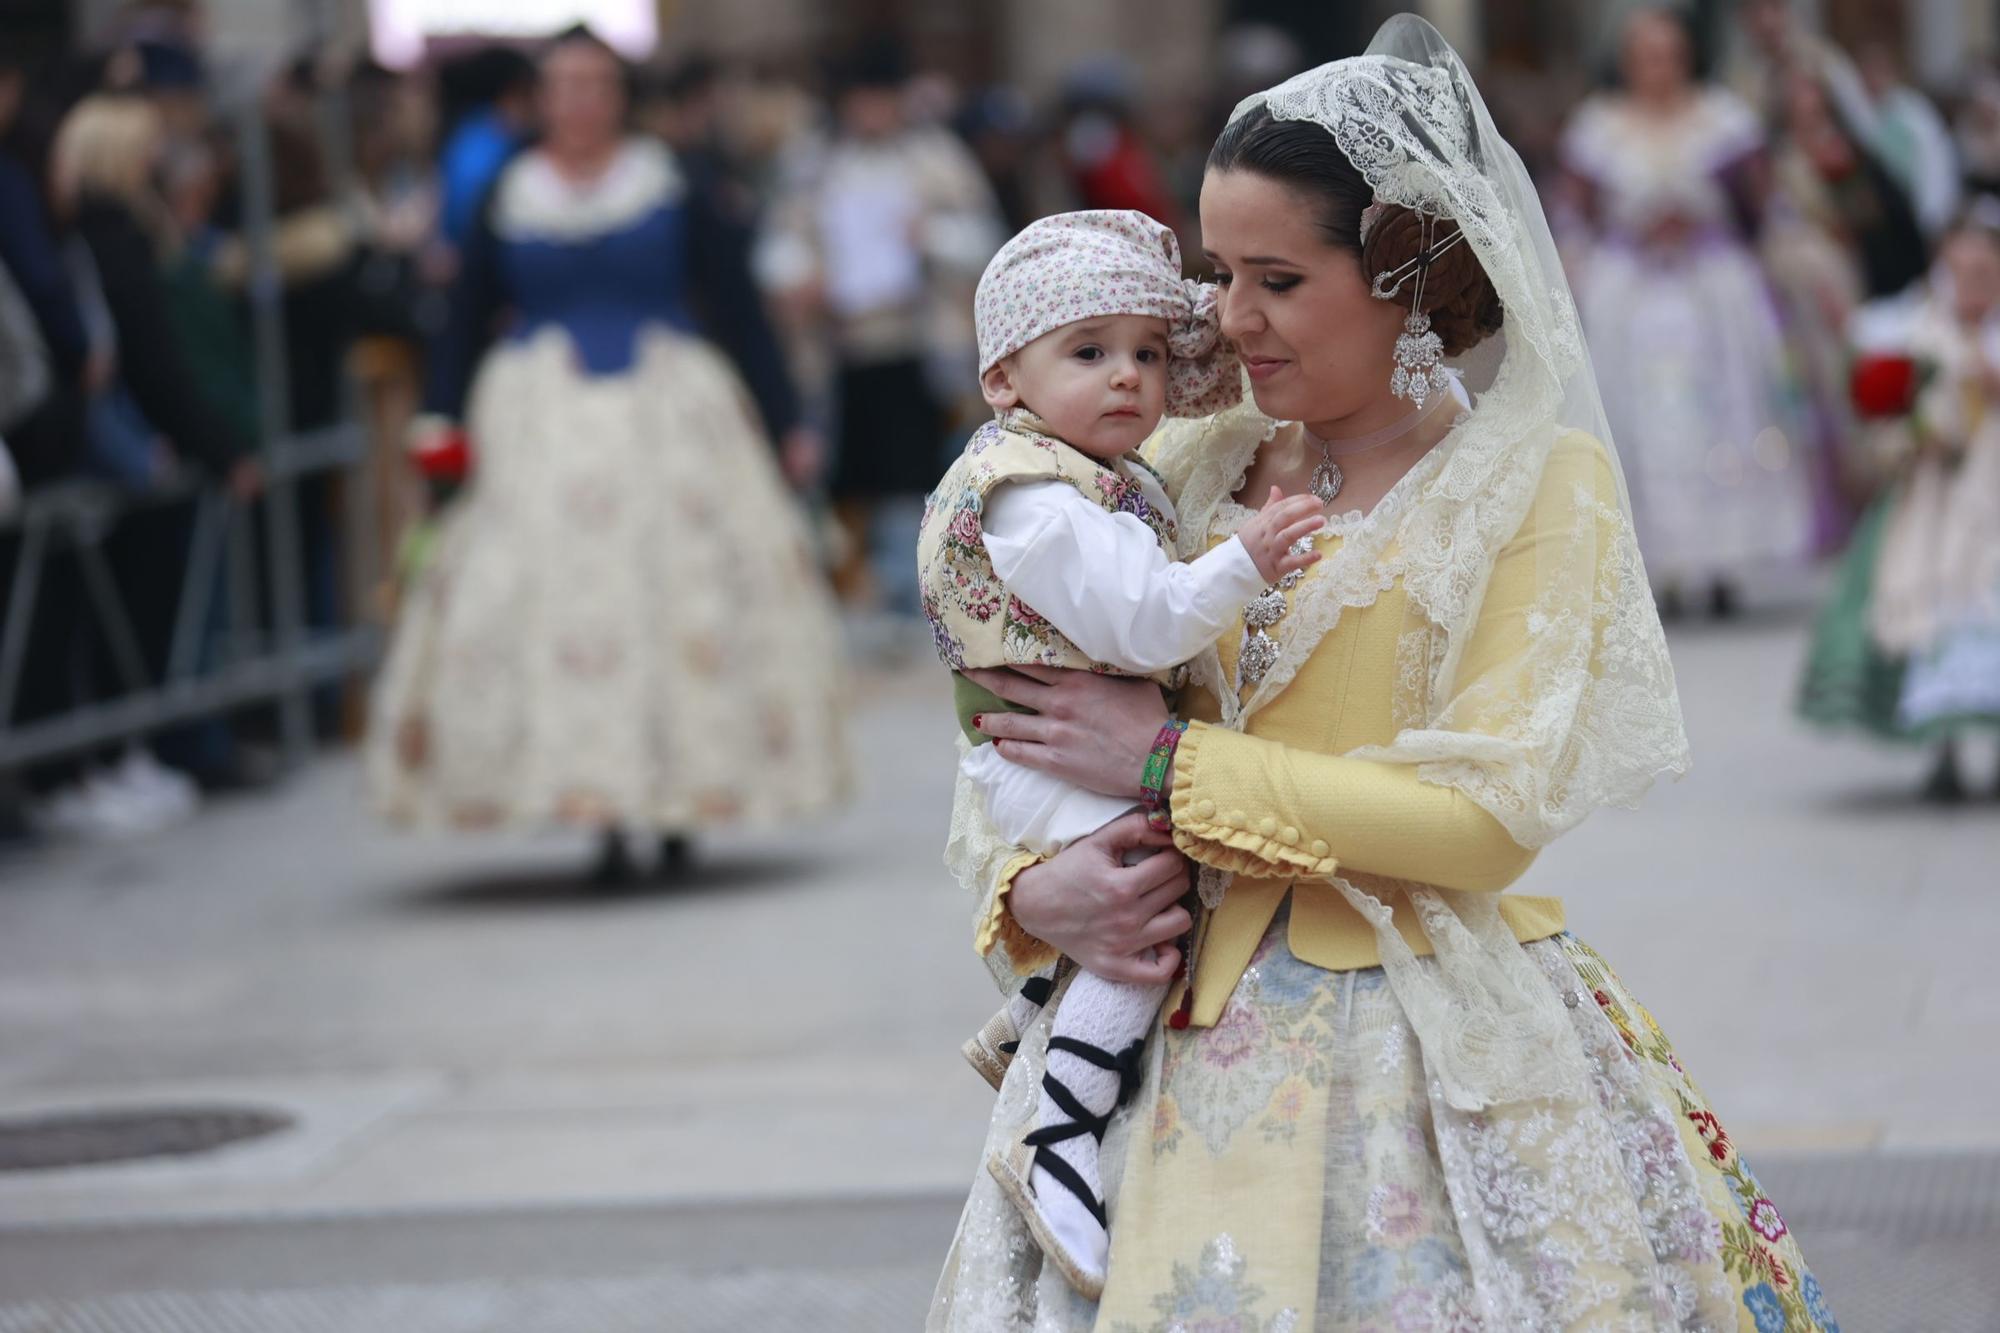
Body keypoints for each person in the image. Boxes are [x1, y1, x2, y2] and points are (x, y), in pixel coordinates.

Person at [930, 18, 1836, 1330]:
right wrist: (1032, 889)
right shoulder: (1175, 463)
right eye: (1220, 272)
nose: (1227, 319)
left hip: (1415, 1036)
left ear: (1411, 273)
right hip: (1148, 1033)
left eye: (1278, 281)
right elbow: (1015, 717)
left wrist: (1171, 769)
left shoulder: (1533, 482)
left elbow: (1487, 820)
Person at [920, 209, 1323, 1296]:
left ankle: (1033, 1022)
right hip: (1051, 756)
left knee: (1146, 890)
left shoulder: (1094, 470)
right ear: (1005, 380)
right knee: (1143, 908)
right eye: (1089, 354)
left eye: (1146, 352)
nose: (1128, 378)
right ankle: (1061, 1124)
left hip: (1072, 749)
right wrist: (1242, 559)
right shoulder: (1043, 498)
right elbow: (1144, 622)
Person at [366, 26, 848, 881]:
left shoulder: (670, 180)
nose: (581, 100)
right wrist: (441, 422)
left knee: (676, 597)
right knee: (561, 603)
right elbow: (467, 314)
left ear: (619, 95)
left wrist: (784, 423)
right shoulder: (508, 191)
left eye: (596, 82)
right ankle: (594, 804)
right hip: (538, 416)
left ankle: (678, 802)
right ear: (542, 97)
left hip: (668, 409)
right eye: (565, 84)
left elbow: (736, 305)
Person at [1561, 7, 1812, 616]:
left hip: (1710, 296)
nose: (1659, 68)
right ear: (1627, 63)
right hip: (1634, 299)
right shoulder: (1600, 127)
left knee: (1722, 418)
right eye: (1647, 56)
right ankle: (1662, 565)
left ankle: (1722, 561)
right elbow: (1571, 213)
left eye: (1669, 55)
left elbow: (1765, 205)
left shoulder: (1723, 120)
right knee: (1645, 425)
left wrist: (1709, 228)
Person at [1802, 209, 2000, 800]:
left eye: (1984, 272)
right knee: (1932, 605)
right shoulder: (1922, 337)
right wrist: (1914, 432)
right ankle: (1944, 747)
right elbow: (1888, 423)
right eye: (1960, 271)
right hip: (1934, 500)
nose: (1972, 284)